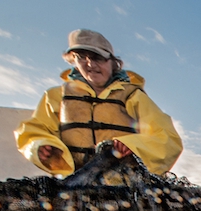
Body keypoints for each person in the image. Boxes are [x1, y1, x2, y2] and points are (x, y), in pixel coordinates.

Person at [14, 29, 182, 177]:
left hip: (124, 186)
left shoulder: (133, 96)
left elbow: (167, 139)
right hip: (72, 184)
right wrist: (40, 146)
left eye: (97, 58)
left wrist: (133, 146)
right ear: (73, 61)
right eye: (81, 58)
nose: (90, 64)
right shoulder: (56, 96)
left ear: (113, 62)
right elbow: (32, 132)